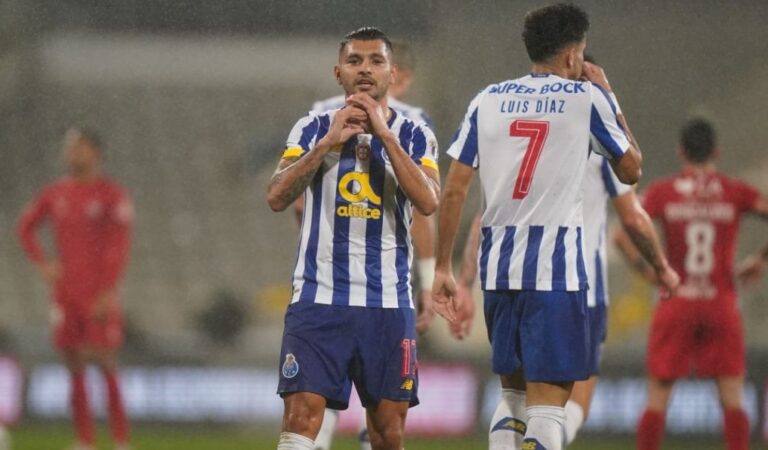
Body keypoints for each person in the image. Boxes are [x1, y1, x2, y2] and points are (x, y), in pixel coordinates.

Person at [431, 4, 643, 449]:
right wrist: (612, 95)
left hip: (499, 274)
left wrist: (444, 270)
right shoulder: (588, 100)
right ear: (572, 56)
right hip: (555, 273)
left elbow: (453, 192)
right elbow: (630, 169)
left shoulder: (486, 99)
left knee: (512, 399)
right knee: (548, 409)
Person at [266, 27, 440, 450]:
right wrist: (327, 144)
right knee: (300, 420)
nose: (365, 69)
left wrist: (384, 135)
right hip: (318, 299)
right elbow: (276, 195)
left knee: (386, 434)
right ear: (338, 72)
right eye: (355, 61)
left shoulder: (415, 133)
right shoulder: (311, 128)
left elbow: (429, 201)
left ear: (391, 72)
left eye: (375, 61)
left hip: (386, 303)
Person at [614, 118, 768, 450]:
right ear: (716, 151)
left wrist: (649, 269)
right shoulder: (734, 191)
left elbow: (623, 232)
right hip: (721, 303)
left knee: (658, 397)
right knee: (732, 398)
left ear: (681, 151)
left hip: (676, 301)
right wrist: (761, 260)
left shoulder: (665, 191)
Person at [17, 127, 133, 450]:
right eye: (68, 147)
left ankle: (121, 440)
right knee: (74, 363)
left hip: (99, 292)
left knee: (106, 360)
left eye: (78, 147)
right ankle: (85, 440)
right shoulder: (54, 193)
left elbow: (119, 245)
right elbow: (25, 228)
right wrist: (43, 263)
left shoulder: (111, 195)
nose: (71, 153)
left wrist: (108, 291)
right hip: (66, 293)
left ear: (95, 152)